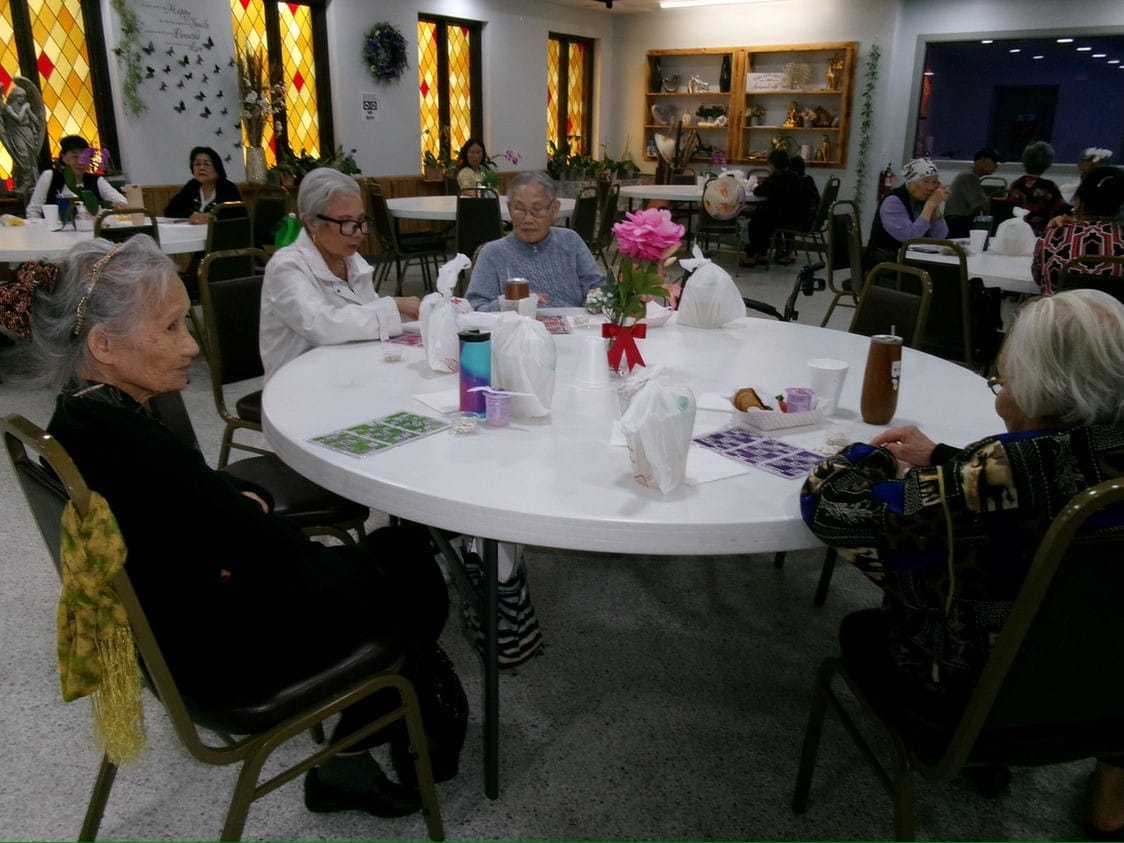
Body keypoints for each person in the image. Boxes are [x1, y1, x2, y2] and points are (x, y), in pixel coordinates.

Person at [32, 234, 466, 820]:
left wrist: (239, 507)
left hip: (173, 622)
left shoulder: (81, 415)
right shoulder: (128, 442)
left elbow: (195, 504)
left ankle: (379, 721)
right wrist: (253, 519)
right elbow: (267, 549)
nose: (192, 345)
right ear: (102, 345)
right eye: (171, 328)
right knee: (411, 570)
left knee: (391, 552)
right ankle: (349, 757)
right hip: (219, 653)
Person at [800, 289, 1124, 830]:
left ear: (1040, 389)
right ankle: (1112, 794)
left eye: (1004, 383)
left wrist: (869, 456)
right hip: (1105, 683)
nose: (1000, 399)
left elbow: (830, 509)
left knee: (865, 620)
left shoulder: (991, 477)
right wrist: (948, 459)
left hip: (975, 696)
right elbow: (1054, 479)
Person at [260, 167, 421, 381]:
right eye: (346, 222)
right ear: (312, 223)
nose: (358, 233)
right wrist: (392, 305)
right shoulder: (286, 267)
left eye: (361, 221)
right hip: (298, 382)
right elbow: (323, 326)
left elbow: (365, 316)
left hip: (347, 370)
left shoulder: (351, 260)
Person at [466, 170, 603, 311]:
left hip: (574, 323)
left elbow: (599, 287)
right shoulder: (493, 253)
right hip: (516, 325)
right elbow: (474, 306)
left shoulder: (570, 241)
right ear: (510, 208)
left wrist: (596, 300)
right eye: (519, 209)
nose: (528, 219)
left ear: (554, 209)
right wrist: (511, 304)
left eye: (537, 209)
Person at [1033, 168, 1124, 295]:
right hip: (1113, 308)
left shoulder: (1053, 235)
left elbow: (1038, 277)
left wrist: (1048, 232)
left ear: (1078, 202)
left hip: (1060, 307)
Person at [863, 158, 950, 271]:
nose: (930, 187)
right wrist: (930, 204)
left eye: (934, 182)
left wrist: (935, 207)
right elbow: (910, 238)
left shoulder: (923, 200)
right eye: (925, 181)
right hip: (885, 265)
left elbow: (940, 237)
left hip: (913, 261)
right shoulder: (892, 202)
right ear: (911, 181)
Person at [26, 135, 128, 219]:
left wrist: (118, 205)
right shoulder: (50, 176)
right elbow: (33, 210)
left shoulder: (96, 180)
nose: (80, 162)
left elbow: (121, 200)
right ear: (64, 158)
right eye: (75, 157)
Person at [740, 148, 804, 268]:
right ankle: (762, 254)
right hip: (794, 216)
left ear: (773, 164)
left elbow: (758, 192)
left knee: (755, 223)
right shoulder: (794, 177)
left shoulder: (776, 177)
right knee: (762, 219)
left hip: (778, 216)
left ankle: (752, 256)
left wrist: (763, 183)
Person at [163, 146, 243, 224]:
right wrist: (194, 216)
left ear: (217, 168)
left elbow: (238, 214)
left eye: (207, 164)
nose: (201, 168)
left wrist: (213, 218)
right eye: (197, 164)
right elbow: (170, 211)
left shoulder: (227, 187)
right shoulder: (192, 186)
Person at [1006, 141, 1070, 236]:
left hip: (1014, 231)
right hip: (1040, 233)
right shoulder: (1049, 186)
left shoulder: (1015, 184)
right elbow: (1062, 208)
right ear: (1046, 164)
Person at [0, 76, 46, 196]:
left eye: (24, 96)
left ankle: (31, 183)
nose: (23, 99)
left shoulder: (25, 107)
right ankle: (24, 183)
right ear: (14, 96)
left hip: (28, 134)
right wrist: (25, 109)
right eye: (20, 96)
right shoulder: (8, 108)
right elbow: (18, 119)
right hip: (16, 135)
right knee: (22, 157)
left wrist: (34, 117)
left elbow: (36, 120)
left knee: (30, 158)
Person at [944, 146, 1000, 237]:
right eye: (994, 162)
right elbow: (981, 204)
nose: (996, 166)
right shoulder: (969, 176)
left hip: (958, 221)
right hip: (958, 223)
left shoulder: (969, 175)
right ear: (982, 160)